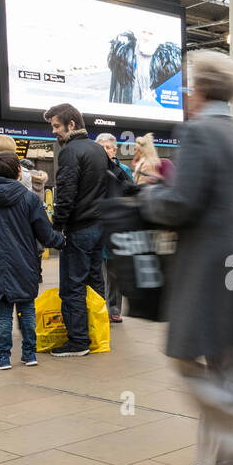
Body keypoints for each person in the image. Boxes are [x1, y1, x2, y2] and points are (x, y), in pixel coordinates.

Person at [137, 51, 233, 465]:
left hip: (214, 262)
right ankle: (219, 461)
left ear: (199, 91)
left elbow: (183, 204)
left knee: (184, 359)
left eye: (188, 88)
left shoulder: (197, 132)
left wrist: (146, 197)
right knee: (228, 364)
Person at [0, 152, 65, 369]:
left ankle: (3, 357)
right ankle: (29, 354)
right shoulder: (29, 198)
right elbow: (45, 233)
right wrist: (62, 242)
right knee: (26, 309)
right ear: (19, 172)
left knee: (2, 311)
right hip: (25, 263)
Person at [47, 102, 111, 357]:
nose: (54, 131)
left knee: (72, 285)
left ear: (71, 124)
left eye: (56, 126)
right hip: (99, 227)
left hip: (79, 228)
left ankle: (78, 341)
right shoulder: (98, 149)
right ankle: (98, 332)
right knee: (95, 281)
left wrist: (57, 227)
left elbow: (65, 194)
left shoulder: (70, 152)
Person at [95, 131, 133, 322]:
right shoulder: (92, 169)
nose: (105, 151)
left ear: (115, 149)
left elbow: (132, 194)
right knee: (98, 272)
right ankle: (99, 308)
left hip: (117, 226)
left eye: (108, 147)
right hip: (97, 225)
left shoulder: (124, 169)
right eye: (101, 148)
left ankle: (114, 308)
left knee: (115, 272)